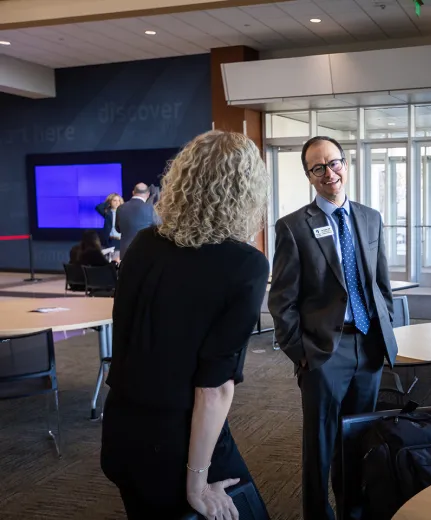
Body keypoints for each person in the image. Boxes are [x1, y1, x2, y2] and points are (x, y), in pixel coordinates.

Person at [101, 130, 271, 519]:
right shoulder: (246, 265)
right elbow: (214, 390)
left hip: (122, 432)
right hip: (177, 444)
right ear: (246, 193)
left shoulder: (143, 244)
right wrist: (197, 482)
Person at [268, 135, 398, 520]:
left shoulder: (369, 217)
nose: (330, 173)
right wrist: (302, 353)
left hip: (368, 346)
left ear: (346, 163)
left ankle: (353, 511)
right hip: (324, 351)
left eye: (335, 162)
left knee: (359, 439)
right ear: (309, 176)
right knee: (321, 443)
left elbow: (381, 283)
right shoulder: (293, 227)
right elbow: (281, 301)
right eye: (318, 167)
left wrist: (383, 327)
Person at [116, 182, 161, 259]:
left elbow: (118, 229)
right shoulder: (150, 208)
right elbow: (159, 227)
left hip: (125, 253)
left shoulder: (120, 208)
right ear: (148, 194)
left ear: (133, 192)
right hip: (145, 252)